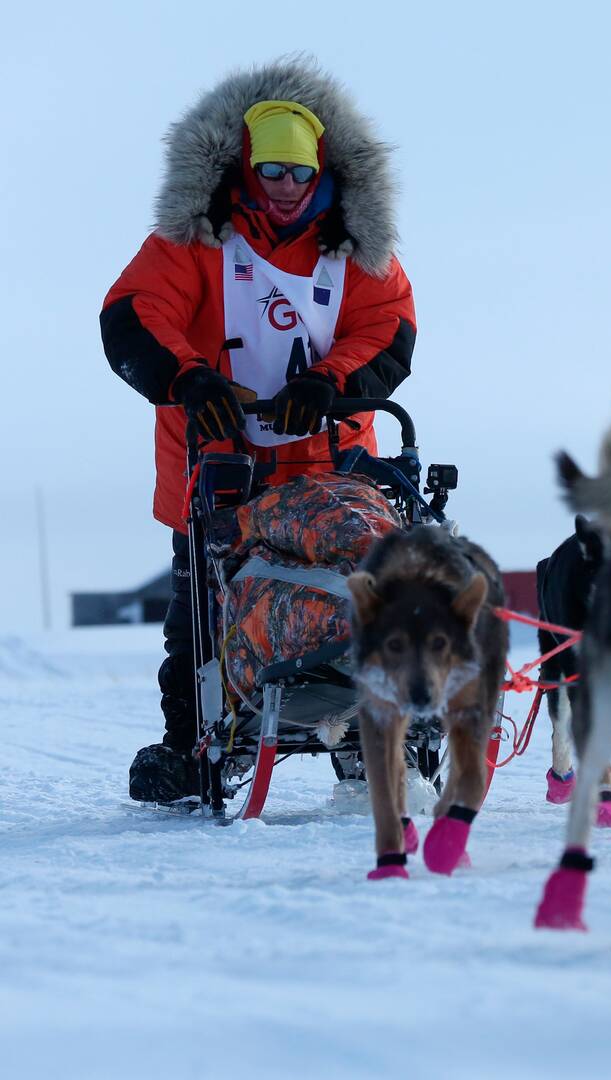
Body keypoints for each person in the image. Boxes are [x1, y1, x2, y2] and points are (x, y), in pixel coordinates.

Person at [102, 59, 415, 803]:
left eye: (298, 171)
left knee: (348, 594)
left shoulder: (355, 250)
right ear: (245, 164)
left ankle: (362, 738)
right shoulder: (193, 240)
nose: (284, 185)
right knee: (199, 618)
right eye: (269, 168)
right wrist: (189, 377)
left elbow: (387, 328)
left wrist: (329, 381)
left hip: (326, 462)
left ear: (321, 172)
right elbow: (135, 313)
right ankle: (192, 745)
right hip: (214, 462)